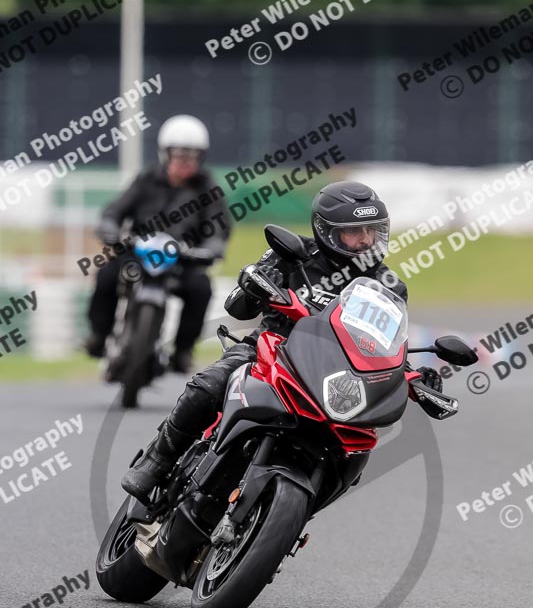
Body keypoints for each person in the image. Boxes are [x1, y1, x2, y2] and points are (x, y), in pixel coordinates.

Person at [122, 180, 443, 504]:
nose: (364, 240)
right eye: (354, 232)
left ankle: (295, 507)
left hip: (334, 374)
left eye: (371, 231)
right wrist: (256, 286)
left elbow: (386, 345)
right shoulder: (292, 254)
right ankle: (157, 460)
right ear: (327, 231)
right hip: (269, 350)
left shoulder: (387, 286)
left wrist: (413, 374)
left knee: (356, 445)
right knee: (209, 384)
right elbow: (237, 306)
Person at [85, 114, 231, 373]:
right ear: (165, 155)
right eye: (178, 156)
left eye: (191, 157)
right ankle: (98, 336)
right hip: (138, 254)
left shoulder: (208, 189)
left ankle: (183, 350)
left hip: (183, 259)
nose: (184, 162)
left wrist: (211, 248)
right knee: (106, 275)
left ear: (201, 158)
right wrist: (110, 229)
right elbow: (114, 212)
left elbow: (218, 229)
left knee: (201, 288)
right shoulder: (147, 179)